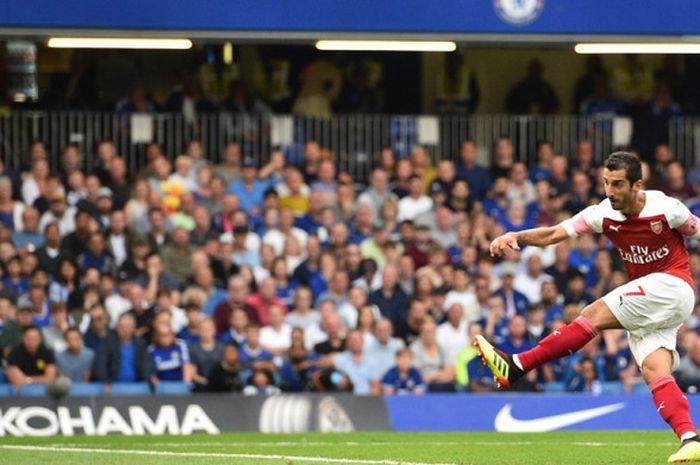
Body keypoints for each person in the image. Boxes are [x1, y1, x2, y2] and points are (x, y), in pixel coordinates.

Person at [477, 152, 700, 463]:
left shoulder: (667, 209)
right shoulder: (602, 213)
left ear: (637, 184)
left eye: (618, 184)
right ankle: (690, 436)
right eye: (606, 183)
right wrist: (517, 235)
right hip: (655, 305)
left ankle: (518, 365)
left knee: (591, 314)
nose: (610, 191)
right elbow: (555, 233)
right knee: (654, 371)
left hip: (672, 286)